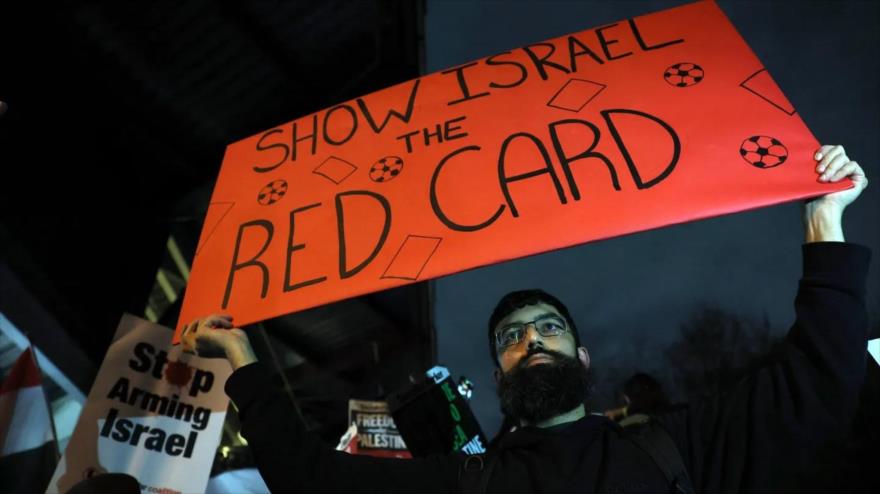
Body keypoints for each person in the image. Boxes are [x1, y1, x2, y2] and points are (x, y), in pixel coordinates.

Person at [183, 144, 870, 493]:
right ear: (498, 371)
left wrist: (824, 226)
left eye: (548, 328)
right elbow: (309, 479)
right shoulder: (467, 481)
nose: (531, 341)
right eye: (511, 338)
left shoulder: (677, 446)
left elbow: (819, 381)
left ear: (583, 357)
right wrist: (243, 361)